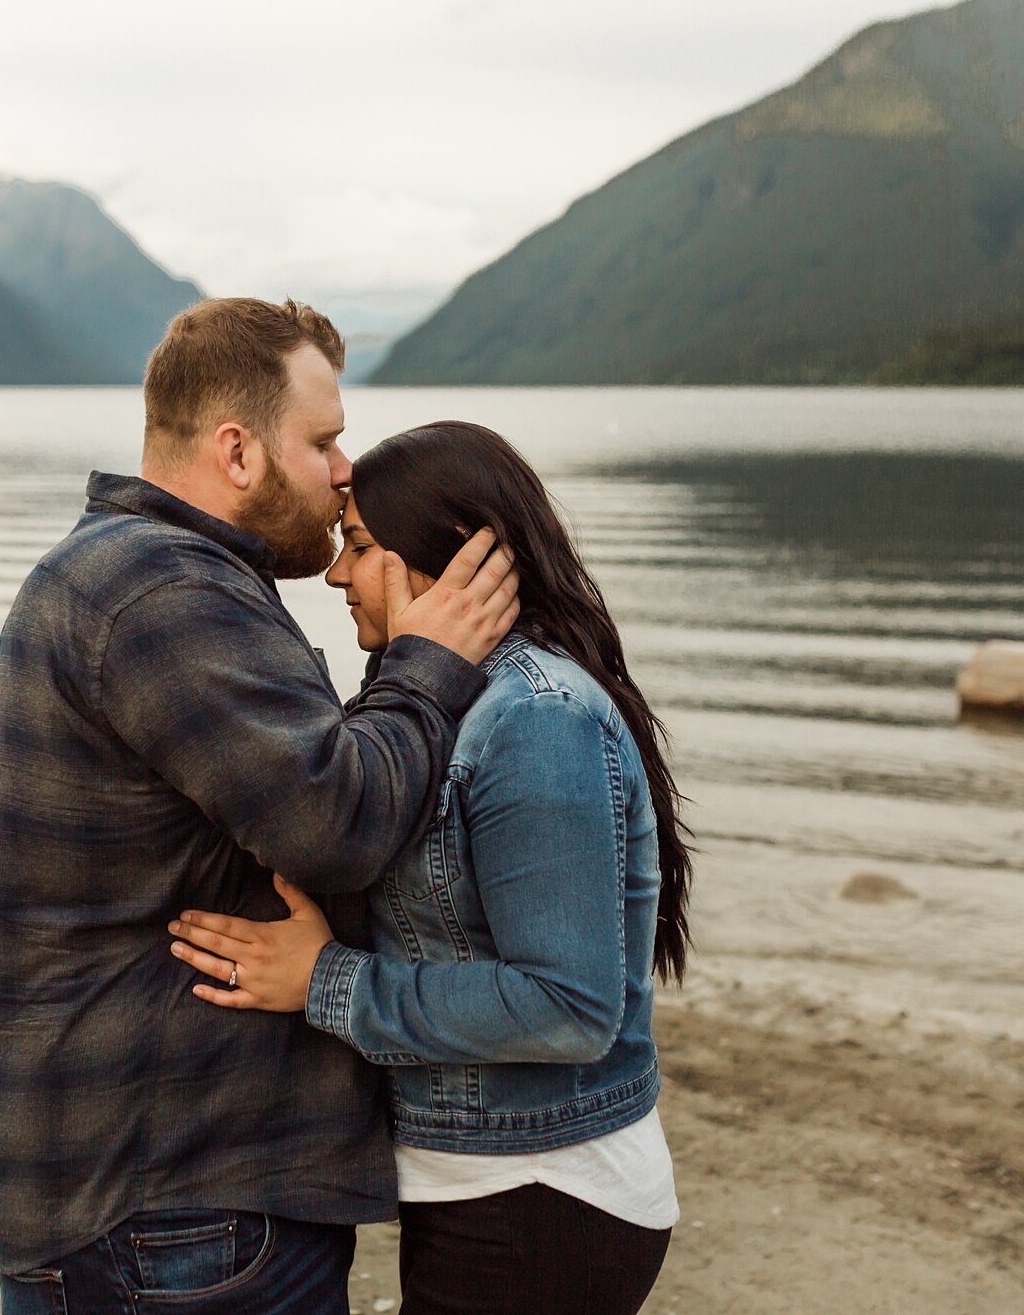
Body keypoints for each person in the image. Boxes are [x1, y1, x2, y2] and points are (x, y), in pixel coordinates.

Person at [0, 300, 520, 1314]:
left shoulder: (131, 573)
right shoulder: (161, 591)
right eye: (321, 440)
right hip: (180, 1200)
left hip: (138, 1189)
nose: (344, 469)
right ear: (236, 450)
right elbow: (334, 821)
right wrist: (428, 663)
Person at [168, 421, 694, 1315]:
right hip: (489, 1182)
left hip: (545, 1192)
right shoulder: (441, 695)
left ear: (455, 561)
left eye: (363, 547)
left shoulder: (536, 720)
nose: (338, 573)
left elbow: (569, 1007)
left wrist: (325, 981)